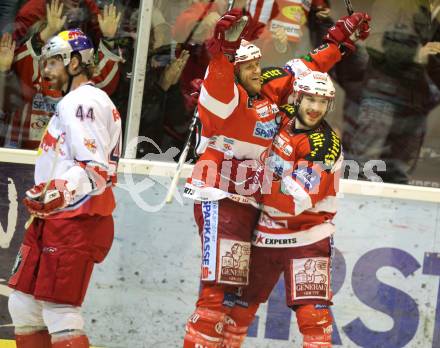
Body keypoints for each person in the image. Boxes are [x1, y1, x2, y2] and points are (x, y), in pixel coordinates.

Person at [182, 8, 370, 347]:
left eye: (257, 63)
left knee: (234, 302)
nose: (258, 71)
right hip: (223, 197)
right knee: (218, 295)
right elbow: (220, 77)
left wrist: (338, 44)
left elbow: (301, 71)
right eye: (249, 66)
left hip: (257, 209)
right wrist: (224, 51)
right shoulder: (225, 97)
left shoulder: (269, 94)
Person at [7, 29, 121, 348]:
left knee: (60, 311)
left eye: (53, 62)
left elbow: (94, 169)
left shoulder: (82, 101)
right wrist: (53, 196)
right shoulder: (74, 102)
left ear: (75, 62)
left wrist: (56, 192)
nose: (45, 71)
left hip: (77, 220)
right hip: (57, 218)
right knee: (24, 306)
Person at [226, 71, 342, 348]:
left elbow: (293, 201)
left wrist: (249, 180)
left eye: (323, 102)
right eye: (310, 99)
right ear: (298, 97)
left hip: (308, 236)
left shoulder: (324, 146)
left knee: (314, 319)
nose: (315, 108)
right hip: (267, 232)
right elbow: (254, 89)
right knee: (238, 309)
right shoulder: (284, 115)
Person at [1, 0, 122, 150]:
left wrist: (109, 38)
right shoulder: (31, 72)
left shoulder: (78, 82)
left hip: (61, 163)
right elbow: (25, 67)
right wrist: (47, 32)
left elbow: (103, 82)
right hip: (21, 159)